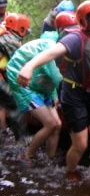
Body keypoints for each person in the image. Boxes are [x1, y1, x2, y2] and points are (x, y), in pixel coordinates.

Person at [16, 0, 90, 179]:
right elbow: (51, 53)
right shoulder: (75, 38)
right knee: (81, 145)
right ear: (84, 22)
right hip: (74, 95)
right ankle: (70, 173)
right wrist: (29, 66)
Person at [6, 30, 63, 164]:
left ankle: (50, 159)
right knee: (50, 124)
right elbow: (56, 76)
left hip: (40, 83)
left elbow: (50, 75)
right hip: (23, 82)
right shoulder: (51, 49)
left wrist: (54, 94)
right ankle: (28, 155)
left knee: (58, 125)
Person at [0, 13, 31, 138]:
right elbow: (20, 63)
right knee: (16, 105)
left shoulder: (4, 35)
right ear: (21, 28)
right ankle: (22, 140)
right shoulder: (9, 40)